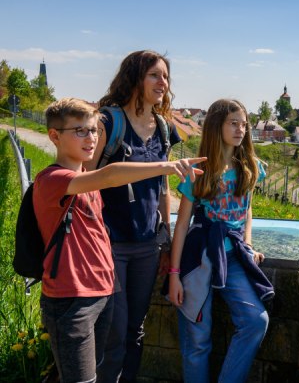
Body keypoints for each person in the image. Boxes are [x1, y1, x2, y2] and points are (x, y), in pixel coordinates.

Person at [35, 98, 204, 383]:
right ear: (54, 136)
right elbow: (112, 174)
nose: (90, 138)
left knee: (101, 370)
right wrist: (167, 166)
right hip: (70, 299)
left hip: (101, 293)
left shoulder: (86, 178)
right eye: (80, 131)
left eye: (93, 131)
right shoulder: (53, 179)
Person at [88, 50, 183, 383]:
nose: (163, 83)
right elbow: (85, 181)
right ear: (135, 77)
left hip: (146, 245)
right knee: (114, 330)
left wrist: (166, 240)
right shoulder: (107, 123)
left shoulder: (162, 128)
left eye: (166, 76)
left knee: (135, 330)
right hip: (108, 244)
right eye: (154, 75)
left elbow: (163, 188)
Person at [168, 99, 273, 383]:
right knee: (197, 340)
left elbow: (247, 210)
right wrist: (174, 275)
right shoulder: (198, 172)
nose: (241, 129)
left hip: (233, 258)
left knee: (255, 321)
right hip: (199, 259)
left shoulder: (250, 166)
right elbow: (181, 226)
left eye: (244, 124)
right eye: (233, 123)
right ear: (217, 126)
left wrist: (248, 244)